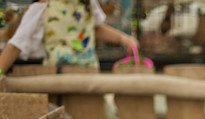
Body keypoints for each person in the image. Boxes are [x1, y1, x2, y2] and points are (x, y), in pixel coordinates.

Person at [0, 0, 137, 75]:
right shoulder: (43, 6)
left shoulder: (87, 3)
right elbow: (17, 44)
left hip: (89, 71)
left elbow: (96, 27)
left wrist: (123, 39)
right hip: (58, 76)